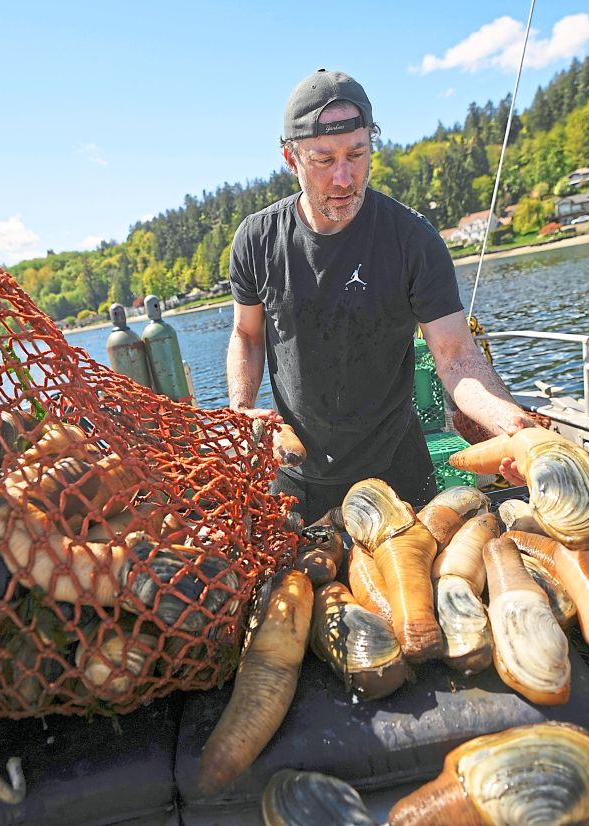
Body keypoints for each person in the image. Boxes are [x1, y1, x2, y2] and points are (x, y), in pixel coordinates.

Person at [225, 69, 537, 525]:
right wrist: (240, 411)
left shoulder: (412, 239)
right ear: (291, 159)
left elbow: (455, 357)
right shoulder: (256, 239)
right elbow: (247, 336)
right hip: (297, 475)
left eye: (357, 153)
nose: (345, 177)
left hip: (397, 467)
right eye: (323, 159)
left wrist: (510, 422)